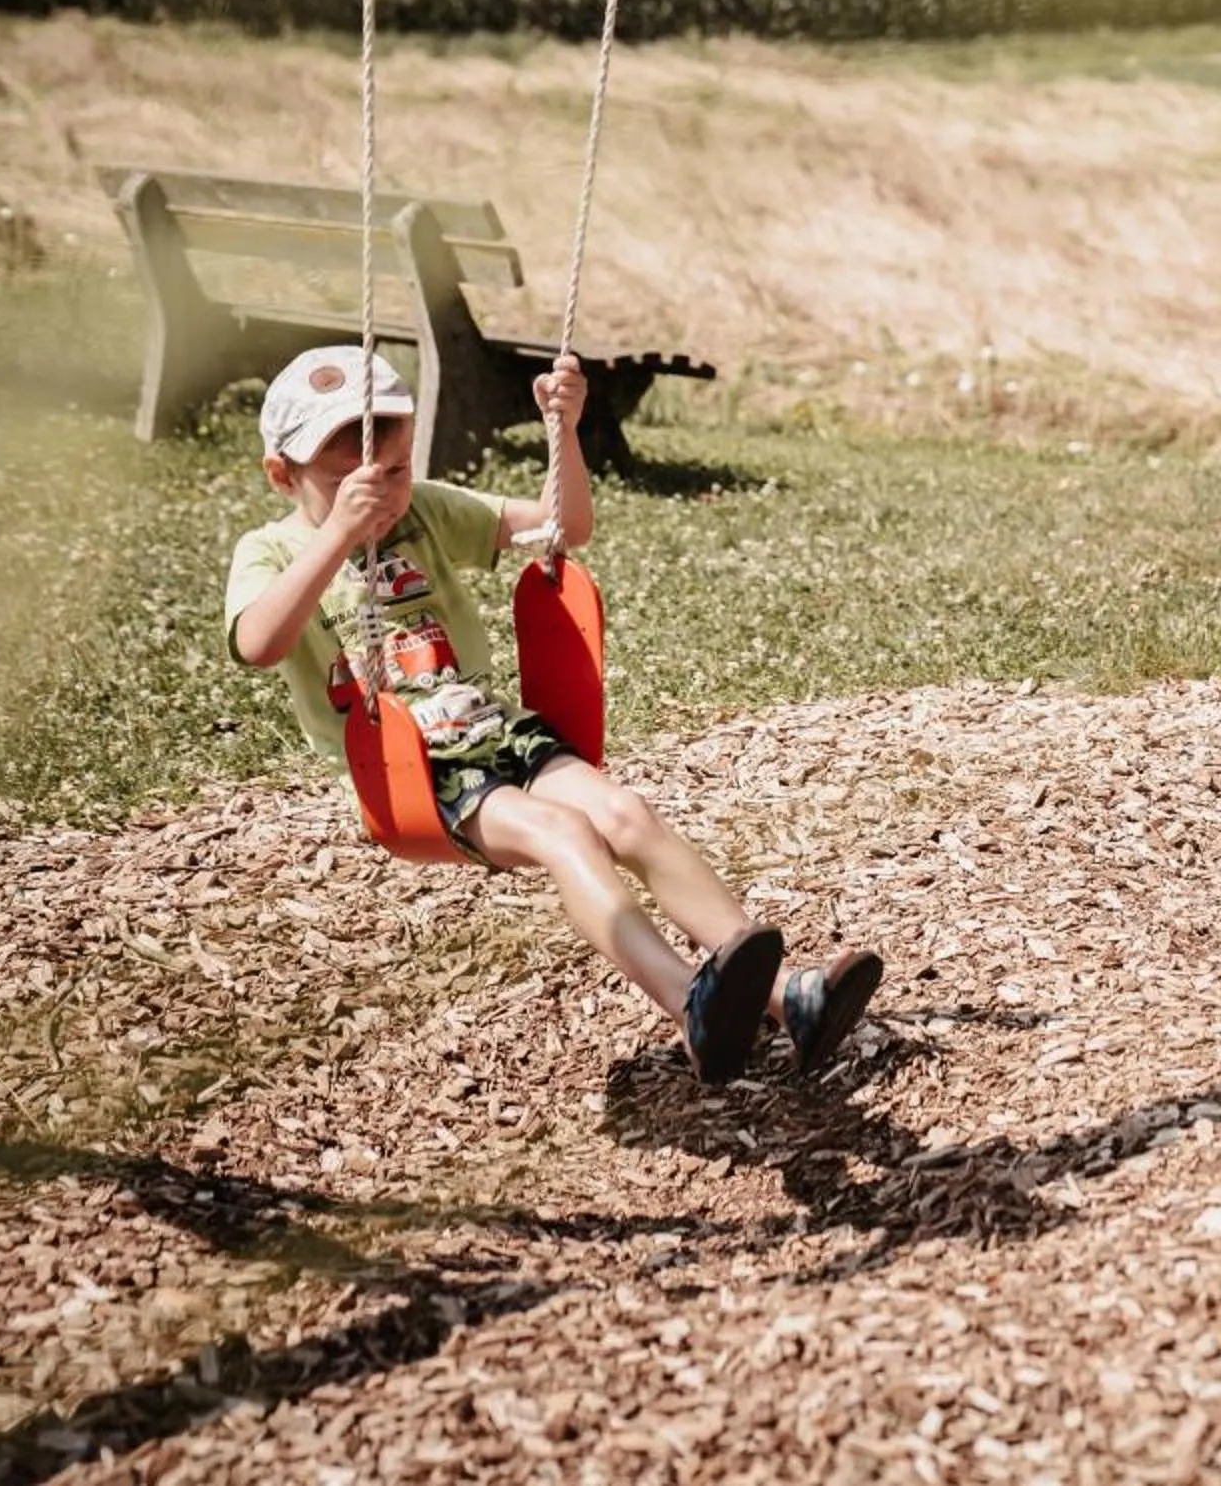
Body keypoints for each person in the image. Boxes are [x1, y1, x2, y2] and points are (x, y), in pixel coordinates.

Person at [225, 344, 882, 1082]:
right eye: (349, 484)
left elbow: (561, 527)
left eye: (397, 471)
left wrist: (563, 430)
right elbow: (258, 643)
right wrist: (339, 534)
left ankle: (788, 996)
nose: (379, 496)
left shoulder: (428, 511)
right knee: (563, 832)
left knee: (625, 813)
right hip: (411, 768)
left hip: (494, 730)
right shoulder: (271, 551)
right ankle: (689, 1006)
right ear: (282, 474)